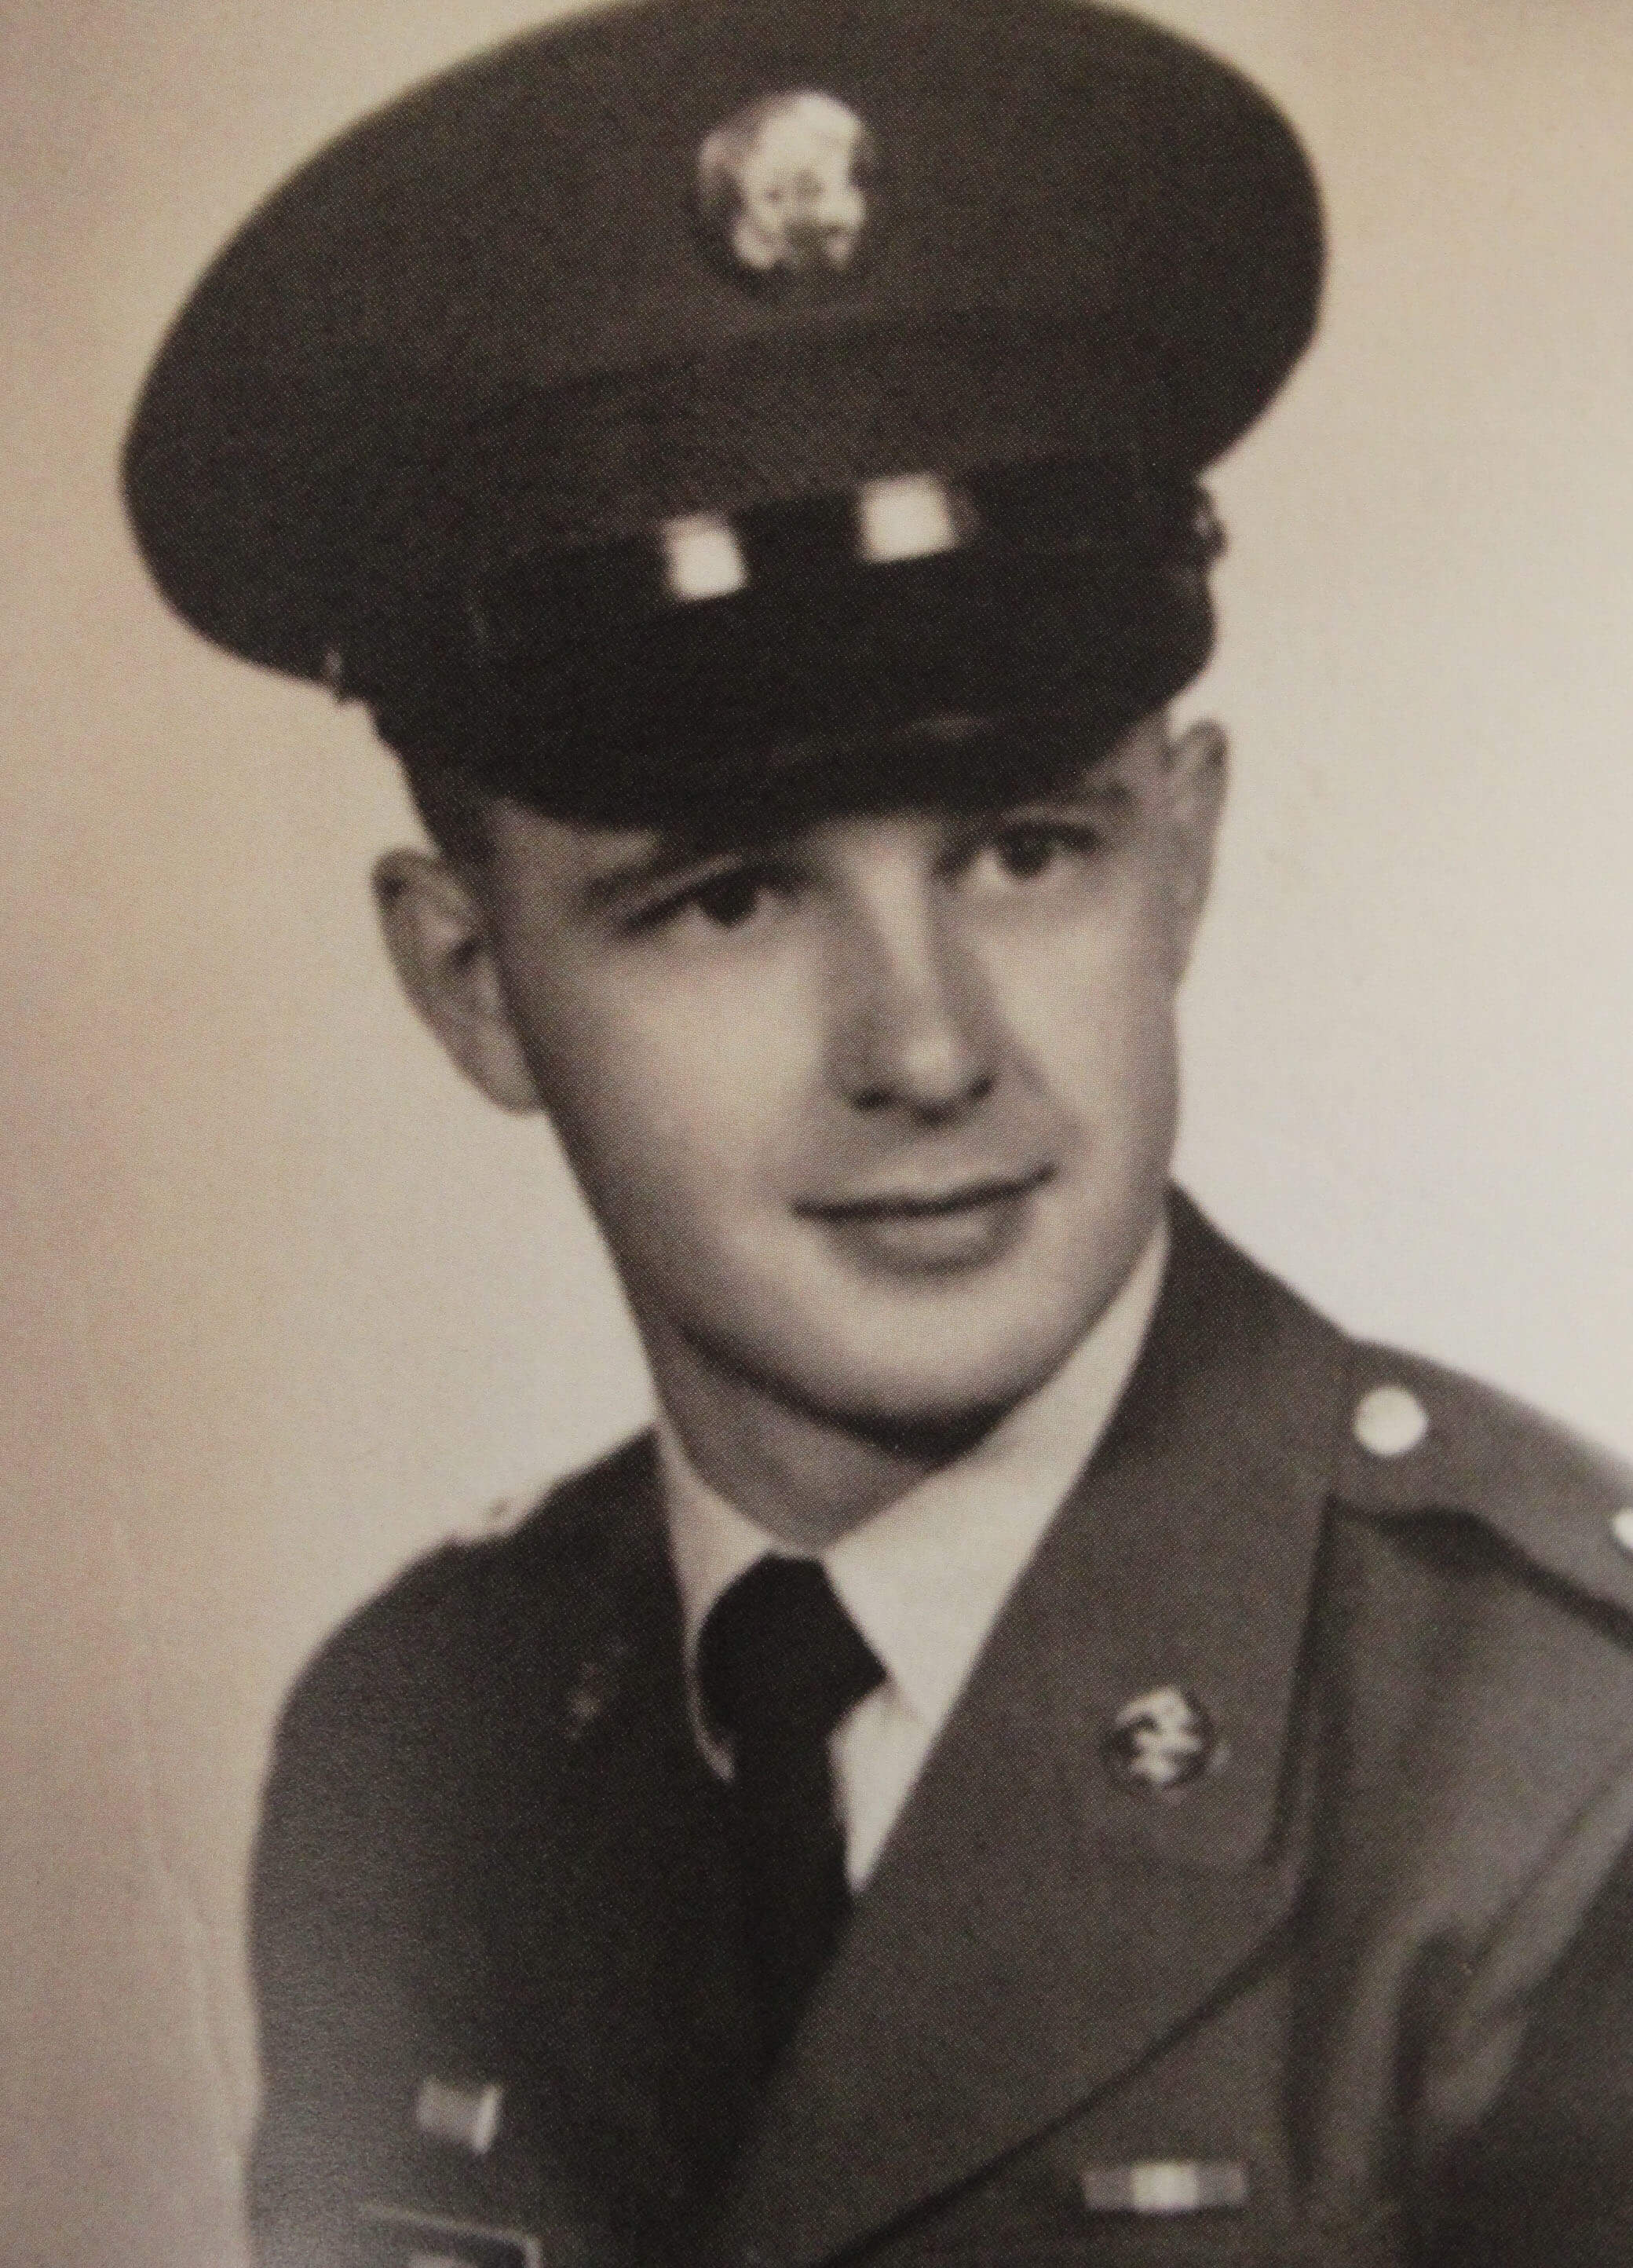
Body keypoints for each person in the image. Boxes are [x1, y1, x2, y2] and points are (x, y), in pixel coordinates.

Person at [121, 1, 1633, 2263]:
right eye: (726, 895)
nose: (926, 1049)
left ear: (1188, 854)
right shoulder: (410, 1755)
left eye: (1027, 850)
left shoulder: (1554, 1771)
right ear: (469, 982)